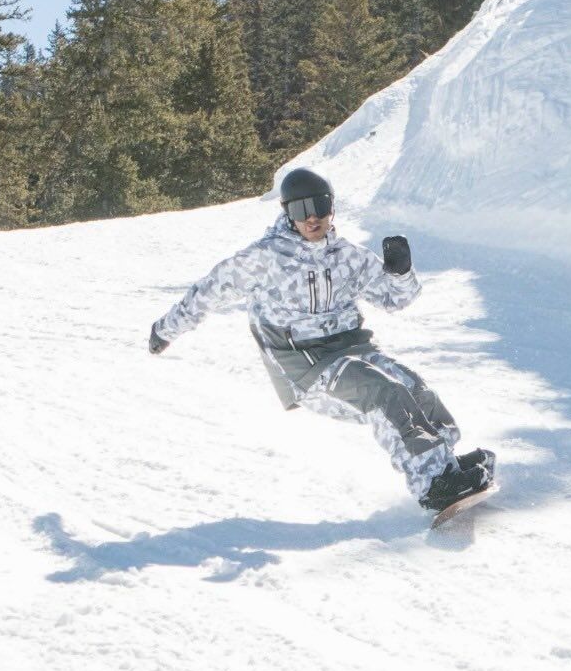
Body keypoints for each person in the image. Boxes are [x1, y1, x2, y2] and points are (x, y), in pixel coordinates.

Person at [147, 168, 494, 515]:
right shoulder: (264, 259)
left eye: (320, 206)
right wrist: (165, 330)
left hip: (354, 346)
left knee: (414, 387)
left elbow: (396, 299)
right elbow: (207, 293)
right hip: (305, 362)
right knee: (384, 392)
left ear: (332, 209)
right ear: (288, 214)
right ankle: (431, 485)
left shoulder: (348, 256)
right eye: (300, 210)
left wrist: (400, 271)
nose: (312, 217)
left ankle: (444, 466)